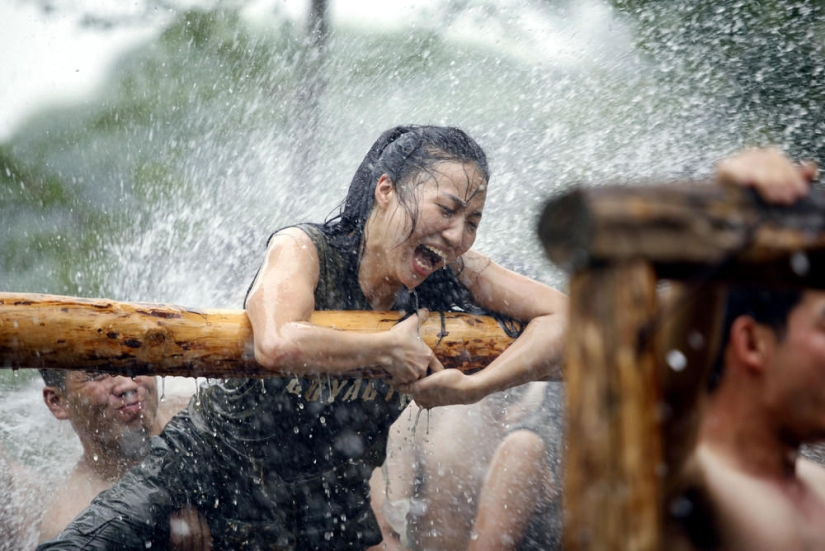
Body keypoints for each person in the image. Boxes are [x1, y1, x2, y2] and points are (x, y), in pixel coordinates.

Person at [38, 125, 568, 550]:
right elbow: (276, 341)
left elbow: (569, 318)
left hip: (327, 502)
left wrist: (474, 388)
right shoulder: (304, 248)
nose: (458, 235)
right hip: (210, 469)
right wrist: (383, 349)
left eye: (473, 221)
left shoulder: (454, 270)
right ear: (386, 190)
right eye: (447, 210)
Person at [664, 148, 825, 550]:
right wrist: (720, 220)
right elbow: (663, 402)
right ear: (752, 343)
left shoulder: (818, 487)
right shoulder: (682, 478)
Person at [37, 369, 210, 548]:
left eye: (134, 363)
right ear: (57, 402)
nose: (128, 384)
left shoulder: (203, 411)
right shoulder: (72, 529)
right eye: (98, 373)